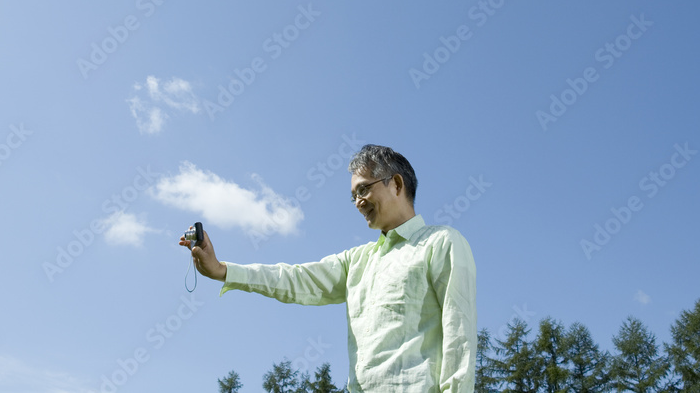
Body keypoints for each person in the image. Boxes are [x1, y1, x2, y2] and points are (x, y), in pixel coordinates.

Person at [180, 144, 477, 392]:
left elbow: (459, 340)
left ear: (396, 184)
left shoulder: (442, 243)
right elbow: (295, 279)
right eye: (353, 196)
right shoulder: (356, 261)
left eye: (363, 190)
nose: (358, 202)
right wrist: (222, 270)